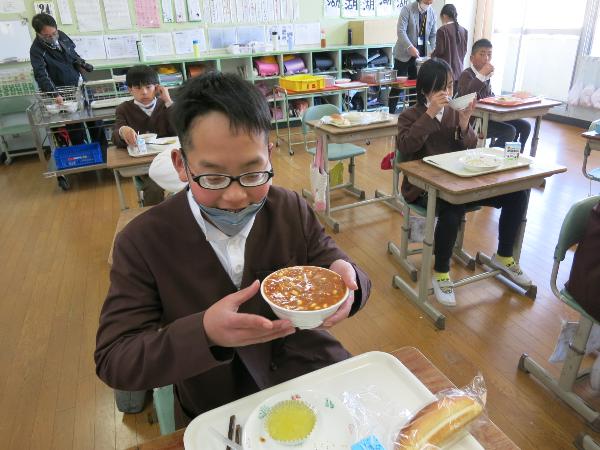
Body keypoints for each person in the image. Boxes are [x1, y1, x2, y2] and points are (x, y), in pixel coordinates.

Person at [95, 72, 371, 427]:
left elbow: (335, 262)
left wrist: (350, 282)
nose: (236, 196)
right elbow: (115, 358)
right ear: (182, 166)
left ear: (269, 156)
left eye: (254, 173)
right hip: (219, 403)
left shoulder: (288, 207)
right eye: (212, 178)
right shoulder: (143, 241)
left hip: (308, 377)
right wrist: (205, 332)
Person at [395, 58, 531, 306]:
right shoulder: (409, 116)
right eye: (440, 88)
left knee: (518, 194)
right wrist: (430, 113)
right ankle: (441, 272)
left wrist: (464, 123)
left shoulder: (453, 112)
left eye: (449, 86)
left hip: (461, 180)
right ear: (425, 90)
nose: (447, 93)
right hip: (422, 187)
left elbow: (469, 147)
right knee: (452, 207)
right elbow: (405, 146)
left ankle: (504, 255)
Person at [29, 13, 102, 147]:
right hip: (63, 92)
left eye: (54, 33)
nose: (52, 37)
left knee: (95, 120)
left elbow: (72, 54)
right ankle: (84, 158)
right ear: (39, 34)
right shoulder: (36, 50)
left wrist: (82, 63)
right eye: (47, 36)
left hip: (80, 84)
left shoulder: (61, 35)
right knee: (75, 128)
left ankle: (103, 152)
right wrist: (54, 93)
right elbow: (41, 75)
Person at [112, 65, 176, 205]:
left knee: (188, 181)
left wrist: (168, 101)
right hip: (144, 165)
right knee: (154, 188)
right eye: (138, 88)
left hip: (170, 160)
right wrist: (123, 131)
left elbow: (180, 130)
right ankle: (153, 221)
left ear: (157, 87)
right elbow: (115, 136)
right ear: (130, 89)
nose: (144, 92)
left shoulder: (165, 105)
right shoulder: (124, 109)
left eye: (149, 87)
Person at [457, 39, 531, 150]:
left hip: (490, 116)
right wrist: (481, 75)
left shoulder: (486, 76)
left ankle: (514, 154)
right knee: (510, 131)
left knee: (525, 126)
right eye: (482, 54)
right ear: (472, 58)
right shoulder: (466, 75)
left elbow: (490, 97)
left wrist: (512, 97)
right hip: (475, 120)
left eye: (489, 55)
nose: (486, 58)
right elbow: (468, 96)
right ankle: (490, 156)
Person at [389, 0, 437, 114]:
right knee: (397, 86)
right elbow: (401, 31)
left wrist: (435, 49)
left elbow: (433, 35)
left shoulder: (432, 12)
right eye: (426, 2)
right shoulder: (407, 9)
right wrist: (410, 47)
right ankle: (390, 113)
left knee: (415, 86)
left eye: (431, 2)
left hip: (420, 56)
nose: (428, 4)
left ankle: (412, 114)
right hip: (403, 54)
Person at [430, 4, 468, 92]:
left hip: (445, 73)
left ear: (444, 16)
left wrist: (432, 55)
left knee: (444, 99)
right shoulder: (464, 31)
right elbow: (464, 51)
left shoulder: (442, 30)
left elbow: (440, 51)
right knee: (454, 100)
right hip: (459, 72)